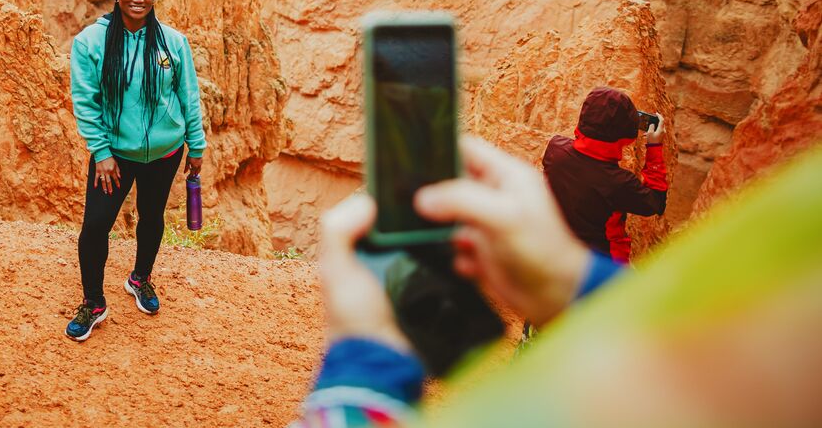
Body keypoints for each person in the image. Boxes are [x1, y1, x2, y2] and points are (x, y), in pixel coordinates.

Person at [295, 138, 822, 427]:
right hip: (598, 259)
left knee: (533, 339)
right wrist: (367, 367)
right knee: (580, 356)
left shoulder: (557, 152)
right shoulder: (617, 180)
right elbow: (655, 201)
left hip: (558, 266)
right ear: (621, 139)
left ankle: (529, 362)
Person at [295, 136, 619, 426]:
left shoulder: (560, 151)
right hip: (588, 260)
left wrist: (367, 362)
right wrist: (571, 275)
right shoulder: (613, 180)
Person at [64, 0, 206, 341]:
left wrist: (196, 144)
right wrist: (101, 152)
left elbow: (188, 96)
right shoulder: (90, 42)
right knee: (95, 226)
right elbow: (85, 100)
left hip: (165, 152)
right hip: (115, 156)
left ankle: (140, 278)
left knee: (152, 216)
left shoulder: (172, 42)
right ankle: (93, 302)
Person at [542, 86, 667, 264]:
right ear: (625, 136)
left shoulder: (555, 150)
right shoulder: (619, 183)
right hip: (601, 265)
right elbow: (656, 202)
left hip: (555, 250)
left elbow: (584, 150)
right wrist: (654, 147)